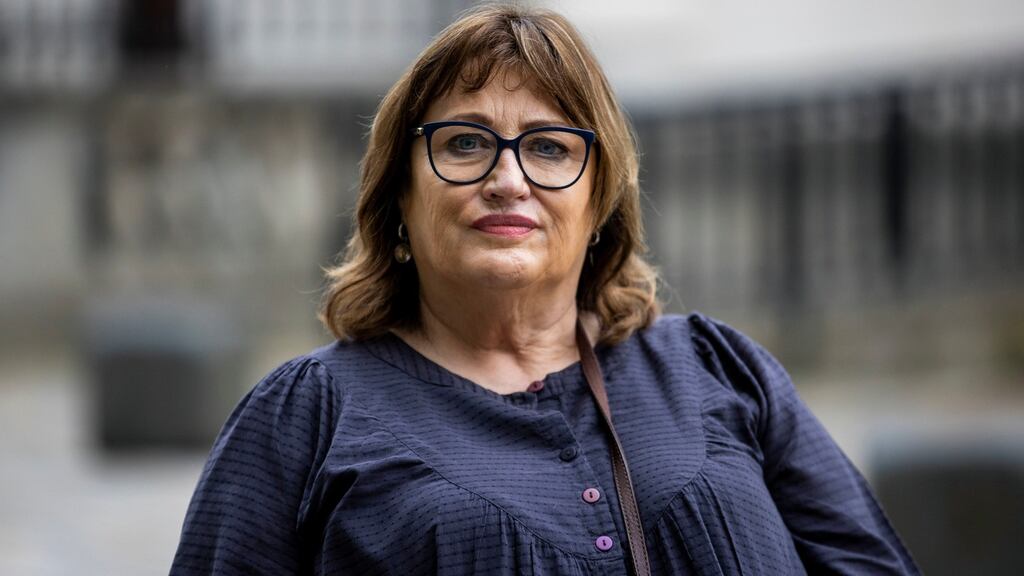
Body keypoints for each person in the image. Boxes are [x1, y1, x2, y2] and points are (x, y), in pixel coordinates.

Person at [171, 5, 919, 575]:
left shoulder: (717, 369)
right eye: (464, 142)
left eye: (549, 146)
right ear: (398, 194)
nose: (507, 179)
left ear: (598, 202)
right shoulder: (307, 416)